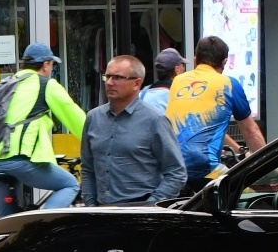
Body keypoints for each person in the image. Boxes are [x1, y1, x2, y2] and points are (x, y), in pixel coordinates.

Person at [0, 42, 87, 214]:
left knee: (9, 222)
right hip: (21, 162)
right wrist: (97, 141)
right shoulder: (46, 85)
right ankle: (42, 227)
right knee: (70, 184)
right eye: (52, 64)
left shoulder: (6, 84)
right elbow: (77, 120)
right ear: (46, 64)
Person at [165, 35, 268, 195]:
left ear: (195, 59)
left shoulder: (178, 81)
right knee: (251, 201)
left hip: (172, 166)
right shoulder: (229, 84)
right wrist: (268, 166)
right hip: (205, 167)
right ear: (225, 62)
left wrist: (237, 148)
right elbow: (251, 131)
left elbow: (200, 126)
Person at [80, 55, 186, 207]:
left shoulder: (154, 120)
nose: (109, 82)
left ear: (137, 83)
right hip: (101, 213)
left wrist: (149, 207)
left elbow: (177, 173)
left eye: (117, 77)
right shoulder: (93, 118)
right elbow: (88, 168)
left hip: (139, 211)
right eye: (107, 76)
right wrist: (90, 205)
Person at [141, 47, 186, 114]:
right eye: (183, 65)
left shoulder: (142, 93)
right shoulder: (179, 95)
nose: (184, 69)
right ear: (177, 70)